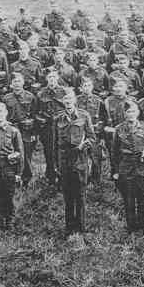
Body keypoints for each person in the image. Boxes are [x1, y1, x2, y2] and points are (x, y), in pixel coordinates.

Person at [54, 89, 95, 234]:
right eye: (65, 100)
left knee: (80, 194)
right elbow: (54, 144)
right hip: (64, 159)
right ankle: (69, 228)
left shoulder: (84, 115)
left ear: (75, 101)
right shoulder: (58, 118)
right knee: (68, 195)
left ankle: (81, 227)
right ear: (63, 102)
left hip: (80, 158)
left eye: (70, 99)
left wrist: (84, 145)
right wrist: (56, 164)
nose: (68, 102)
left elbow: (91, 138)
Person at [111, 101, 144, 232]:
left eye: (133, 111)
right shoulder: (119, 129)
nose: (131, 114)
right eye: (128, 112)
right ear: (124, 114)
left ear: (138, 113)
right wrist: (116, 171)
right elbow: (114, 153)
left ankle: (143, 226)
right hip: (126, 166)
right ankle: (131, 226)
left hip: (142, 166)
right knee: (128, 198)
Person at [2, 72, 38, 186]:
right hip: (12, 129)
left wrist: (34, 133)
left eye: (19, 81)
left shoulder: (30, 96)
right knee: (13, 154)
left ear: (23, 82)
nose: (17, 84)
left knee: (26, 155)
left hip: (26, 130)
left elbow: (35, 115)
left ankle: (27, 179)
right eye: (14, 82)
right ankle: (14, 178)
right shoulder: (6, 98)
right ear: (11, 84)